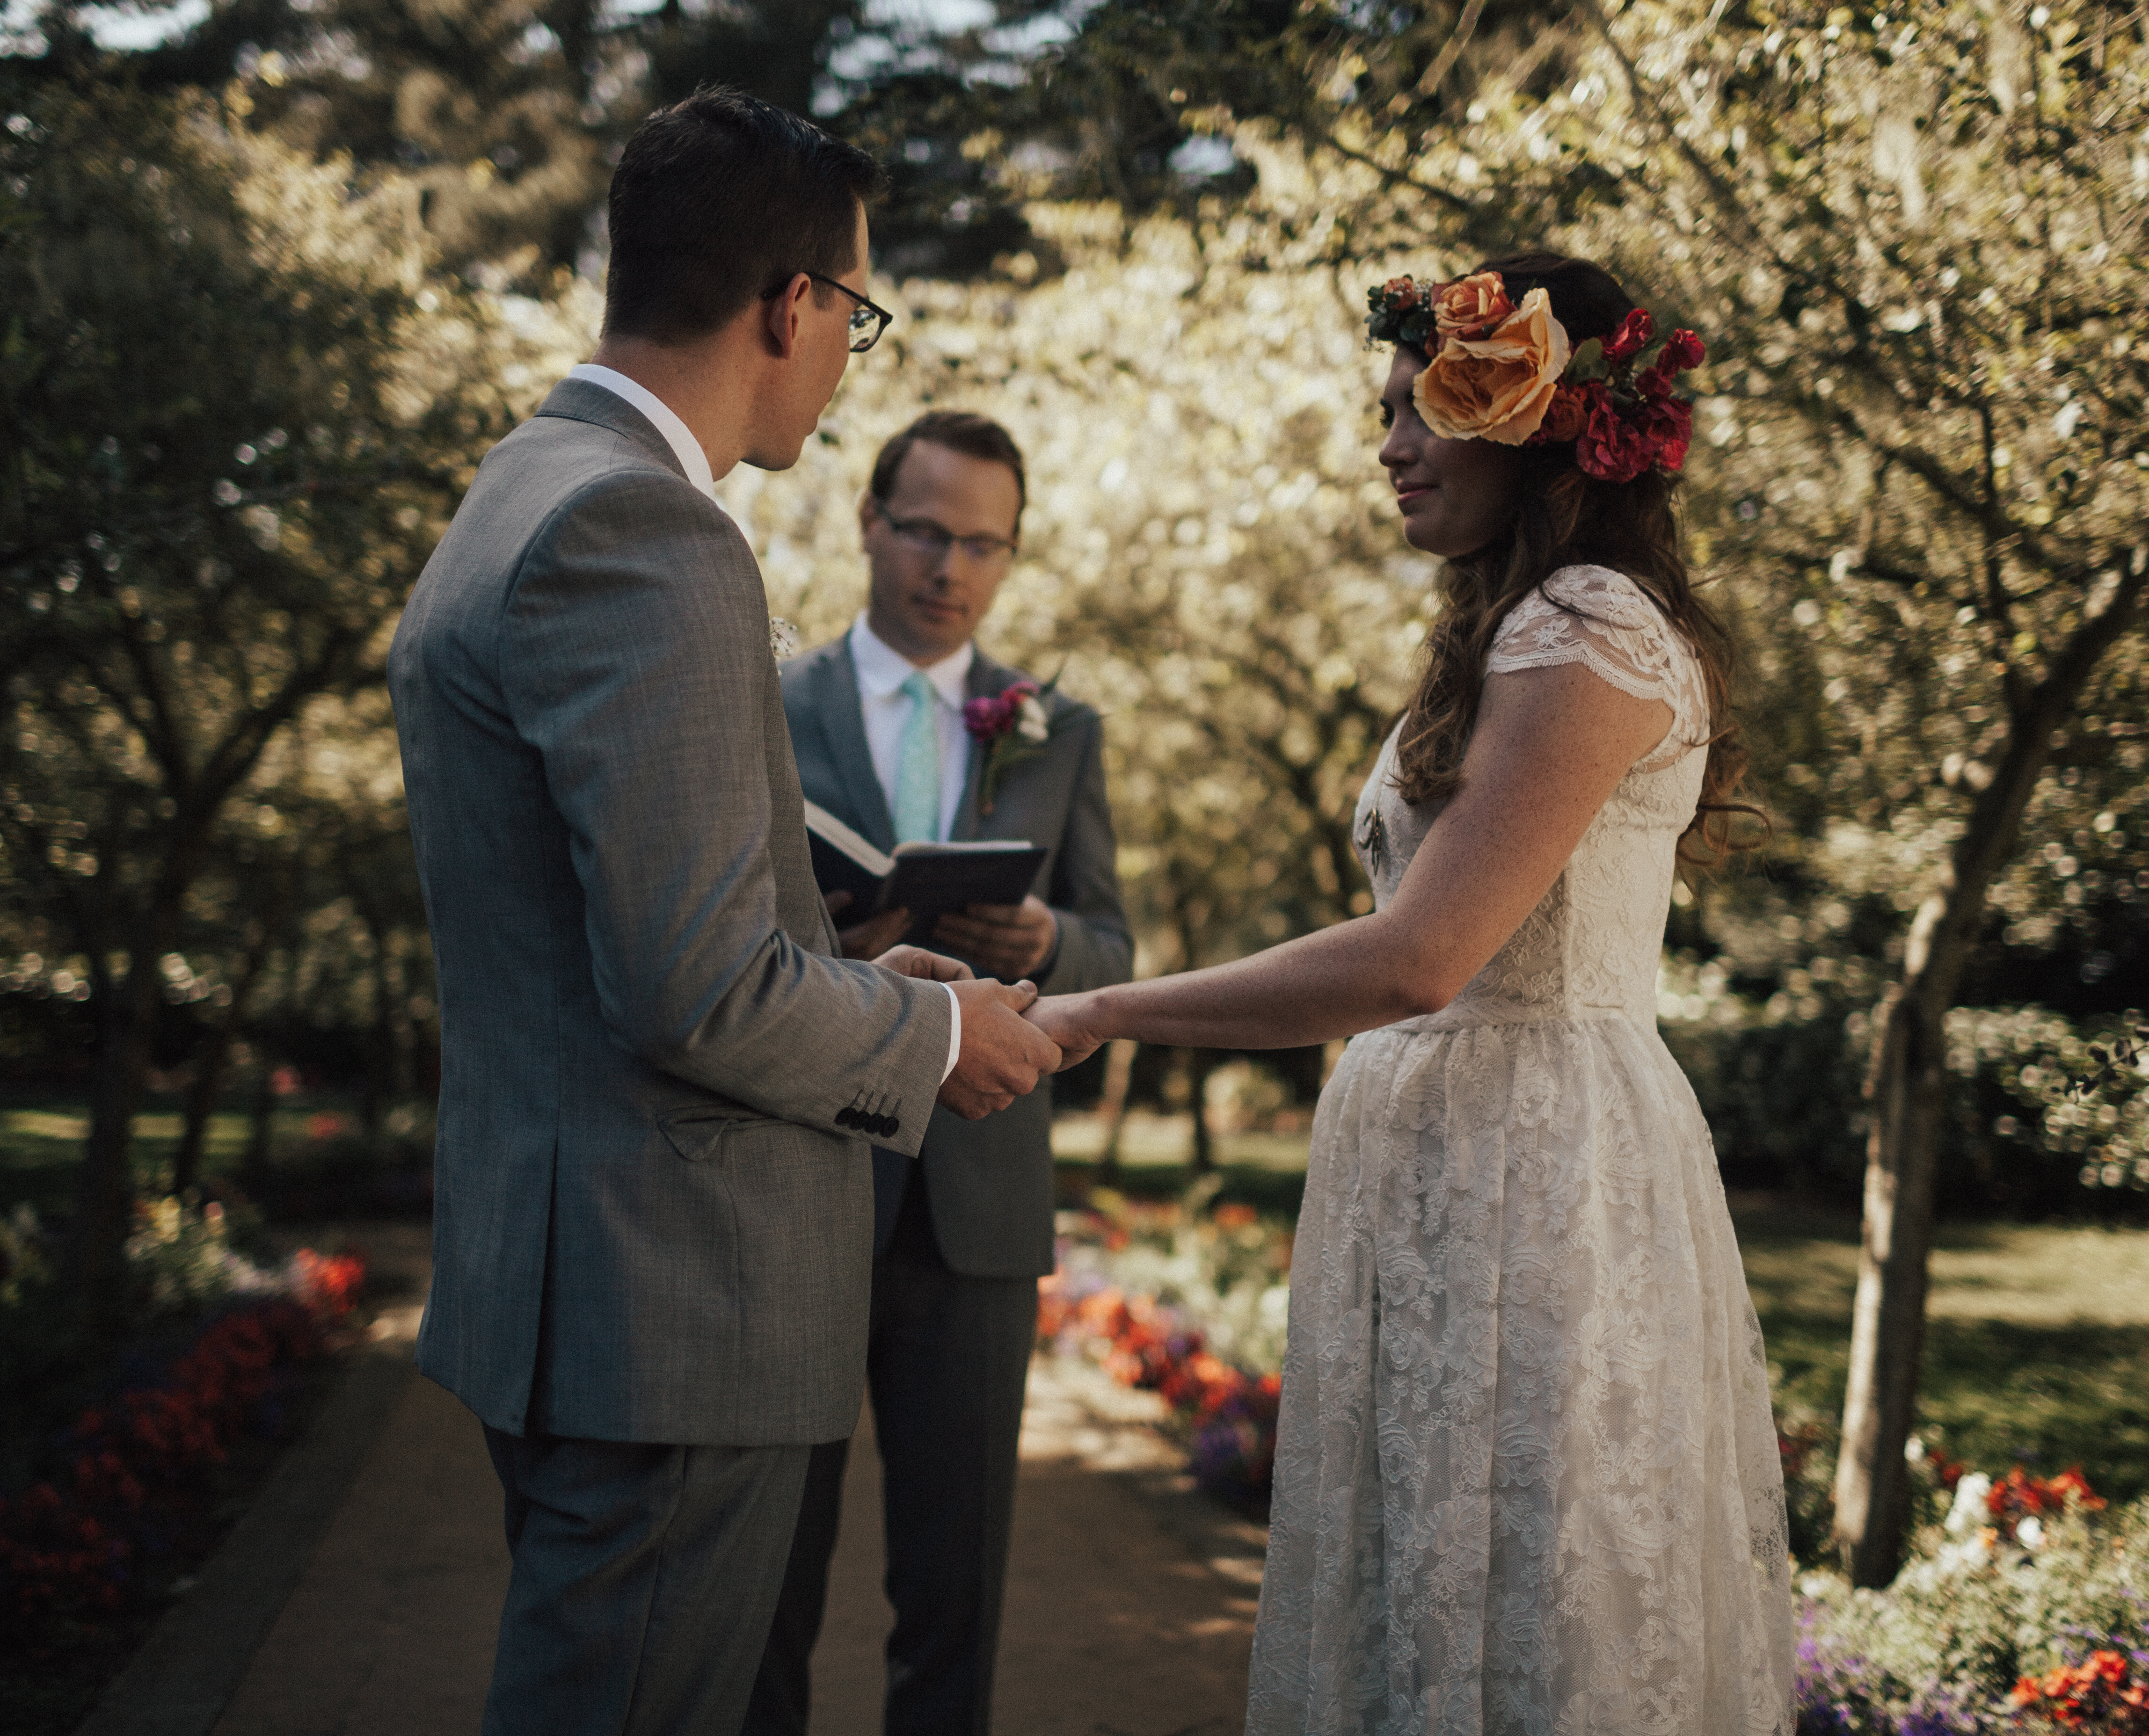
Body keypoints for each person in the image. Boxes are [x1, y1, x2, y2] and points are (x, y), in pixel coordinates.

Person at [1027, 252, 1796, 1733]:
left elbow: (1419, 959)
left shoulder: (1589, 627)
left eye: (1417, 409)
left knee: (1535, 1593)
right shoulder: (1512, 630)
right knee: (1434, 1582)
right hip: (1456, 1165)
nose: (1384, 447)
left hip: (1535, 1171)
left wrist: (1099, 1011)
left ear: (1534, 419)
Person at [385, 87, 1064, 1736]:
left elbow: (615, 936)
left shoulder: (525, 485)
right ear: (794, 304)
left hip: (575, 1279)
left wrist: (849, 964)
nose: (848, 359)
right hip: (670, 1305)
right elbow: (694, 991)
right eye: (860, 314)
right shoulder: (652, 532)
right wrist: (930, 1027)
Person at [746, 412, 1135, 1736]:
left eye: (984, 543)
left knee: (955, 1594)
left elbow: (1113, 939)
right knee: (766, 1588)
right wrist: (831, 940)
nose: (949, 567)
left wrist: (1050, 943)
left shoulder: (1057, 727)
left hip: (979, 1208)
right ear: (867, 520)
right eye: (924, 529)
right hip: (796, 1188)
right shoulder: (761, 696)